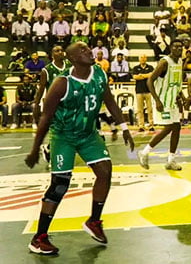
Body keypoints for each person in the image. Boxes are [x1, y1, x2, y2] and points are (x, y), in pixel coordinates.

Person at [24, 42, 134, 255]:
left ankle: (94, 221)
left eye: (88, 48)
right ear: (73, 58)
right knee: (59, 186)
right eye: (82, 51)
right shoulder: (61, 83)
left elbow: (109, 100)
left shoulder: (100, 73)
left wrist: (124, 127)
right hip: (64, 136)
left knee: (105, 171)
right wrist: (35, 149)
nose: (89, 51)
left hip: (88, 134)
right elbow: (46, 118)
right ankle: (39, 238)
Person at [137, 39, 184, 171]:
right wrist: (157, 100)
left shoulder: (180, 62)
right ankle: (144, 152)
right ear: (170, 48)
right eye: (176, 47)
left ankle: (171, 160)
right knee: (169, 127)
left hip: (173, 100)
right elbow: (150, 80)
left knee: (177, 127)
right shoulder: (164, 62)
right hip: (162, 101)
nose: (179, 49)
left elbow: (177, 82)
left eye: (181, 47)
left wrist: (183, 96)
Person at [32, 45, 67, 128]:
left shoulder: (71, 66)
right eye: (57, 51)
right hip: (54, 105)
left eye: (61, 50)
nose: (60, 52)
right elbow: (41, 89)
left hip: (69, 103)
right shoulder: (46, 70)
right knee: (56, 131)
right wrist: (36, 105)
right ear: (52, 55)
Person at [132, 55, 154, 132]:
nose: (143, 59)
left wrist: (141, 75)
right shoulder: (135, 68)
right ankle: (141, 125)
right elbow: (135, 77)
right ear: (139, 59)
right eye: (141, 58)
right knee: (140, 110)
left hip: (149, 90)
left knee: (150, 109)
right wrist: (146, 76)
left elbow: (151, 75)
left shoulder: (150, 67)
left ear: (146, 59)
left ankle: (151, 125)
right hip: (139, 91)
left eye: (144, 58)